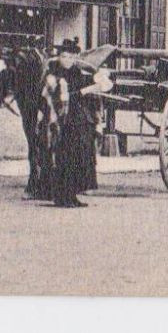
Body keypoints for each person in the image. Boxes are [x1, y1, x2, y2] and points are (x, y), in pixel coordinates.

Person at [44, 38, 103, 208]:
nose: (67, 60)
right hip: (61, 121)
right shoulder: (53, 75)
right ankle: (61, 197)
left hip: (77, 119)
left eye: (70, 57)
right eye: (64, 56)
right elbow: (58, 98)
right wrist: (84, 91)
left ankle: (72, 195)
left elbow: (89, 88)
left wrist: (98, 84)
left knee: (78, 157)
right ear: (59, 57)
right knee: (63, 158)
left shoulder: (77, 73)